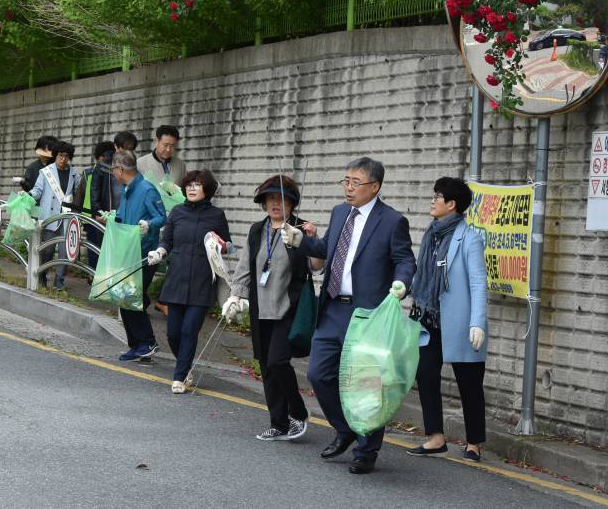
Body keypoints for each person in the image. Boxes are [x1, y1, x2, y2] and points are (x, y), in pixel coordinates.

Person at [282, 157, 415, 475]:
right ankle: (345, 429)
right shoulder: (340, 212)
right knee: (318, 373)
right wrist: (302, 243)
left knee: (367, 385)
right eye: (346, 180)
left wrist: (401, 285)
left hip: (367, 315)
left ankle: (367, 451)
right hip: (332, 309)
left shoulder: (392, 220)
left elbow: (405, 260)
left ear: (375, 186)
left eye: (356, 182)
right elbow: (328, 248)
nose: (348, 187)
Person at [226, 175, 314, 440]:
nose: (276, 204)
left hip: (288, 308)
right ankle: (279, 423)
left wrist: (310, 240)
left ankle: (298, 414)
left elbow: (316, 266)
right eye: (271, 198)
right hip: (260, 309)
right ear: (264, 202)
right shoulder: (256, 230)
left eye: (282, 199)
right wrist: (235, 296)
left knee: (277, 362)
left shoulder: (299, 229)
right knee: (265, 365)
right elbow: (245, 267)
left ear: (293, 203)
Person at [407, 177, 488, 462]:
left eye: (437, 196)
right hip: (429, 317)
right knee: (426, 374)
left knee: (469, 382)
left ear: (451, 204)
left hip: (460, 322)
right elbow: (423, 276)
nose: (432, 201)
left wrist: (477, 322)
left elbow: (479, 283)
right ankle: (436, 437)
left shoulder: (470, 238)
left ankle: (475, 443)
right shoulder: (431, 234)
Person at [147, 170, 232, 394]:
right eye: (189, 185)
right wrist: (159, 253)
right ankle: (185, 367)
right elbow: (167, 241)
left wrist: (222, 245)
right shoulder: (177, 212)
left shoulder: (216, 215)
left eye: (198, 185)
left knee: (189, 331)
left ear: (208, 189)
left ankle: (180, 376)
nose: (192, 188)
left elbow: (229, 246)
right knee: (173, 333)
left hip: (202, 282)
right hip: (176, 279)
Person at [112, 149, 166, 361]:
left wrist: (148, 224)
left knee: (130, 297)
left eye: (113, 170)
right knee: (127, 298)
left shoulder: (146, 189)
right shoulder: (127, 189)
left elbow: (162, 217)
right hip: (128, 251)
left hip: (144, 253)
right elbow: (123, 216)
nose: (113, 174)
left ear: (119, 169)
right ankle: (138, 345)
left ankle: (147, 343)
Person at [29, 141, 77, 290]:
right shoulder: (46, 172)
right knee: (47, 250)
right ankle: (42, 275)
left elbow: (78, 193)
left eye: (67, 157)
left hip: (67, 217)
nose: (63, 159)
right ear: (55, 155)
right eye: (61, 155)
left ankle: (59, 282)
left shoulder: (74, 173)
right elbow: (37, 190)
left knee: (65, 251)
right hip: (50, 216)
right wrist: (28, 195)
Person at [75, 141, 114, 268]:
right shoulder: (89, 173)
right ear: (98, 157)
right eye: (104, 155)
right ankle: (93, 274)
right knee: (94, 248)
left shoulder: (112, 172)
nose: (107, 158)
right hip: (92, 216)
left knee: (99, 248)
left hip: (104, 216)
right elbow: (80, 194)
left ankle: (97, 274)